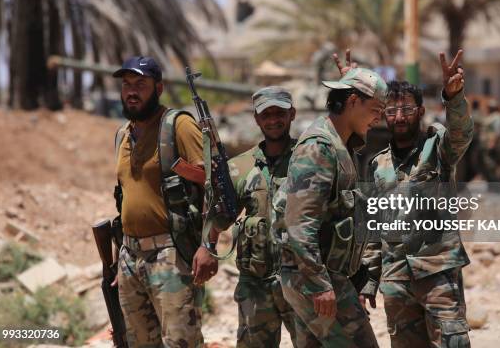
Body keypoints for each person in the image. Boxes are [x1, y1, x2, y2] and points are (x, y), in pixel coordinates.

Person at [360, 50, 473, 348]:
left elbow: (462, 132)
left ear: (420, 113)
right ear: (384, 114)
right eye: (392, 110)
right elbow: (374, 226)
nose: (399, 117)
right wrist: (370, 278)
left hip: (437, 272)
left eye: (407, 110)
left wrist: (455, 96)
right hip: (395, 278)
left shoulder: (438, 148)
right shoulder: (378, 165)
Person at [275, 64, 387, 347]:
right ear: (352, 102)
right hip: (314, 279)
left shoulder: (340, 145)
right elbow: (300, 224)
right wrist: (319, 284)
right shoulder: (319, 147)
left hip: (317, 275)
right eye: (376, 109)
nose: (379, 119)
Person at [112, 56, 217, 347]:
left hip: (171, 255)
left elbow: (215, 187)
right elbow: (124, 199)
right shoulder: (122, 135)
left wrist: (208, 245)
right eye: (126, 85)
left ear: (158, 88)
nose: (132, 91)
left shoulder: (178, 126)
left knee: (181, 341)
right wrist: (120, 262)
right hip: (130, 257)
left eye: (141, 84)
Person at [228, 87, 298, 347]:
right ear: (256, 119)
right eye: (265, 114)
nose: (273, 120)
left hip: (300, 278)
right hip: (255, 282)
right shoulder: (240, 167)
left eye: (279, 113)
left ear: (292, 114)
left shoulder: (308, 159)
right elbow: (220, 220)